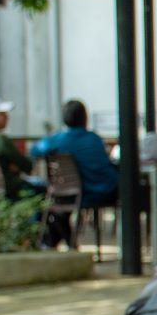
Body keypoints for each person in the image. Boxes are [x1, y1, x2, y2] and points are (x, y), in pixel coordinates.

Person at [31, 99, 119, 248]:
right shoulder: (95, 139)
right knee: (58, 210)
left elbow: (34, 150)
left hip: (71, 193)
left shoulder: (58, 141)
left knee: (51, 203)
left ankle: (54, 244)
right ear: (86, 118)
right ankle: (63, 245)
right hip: (104, 192)